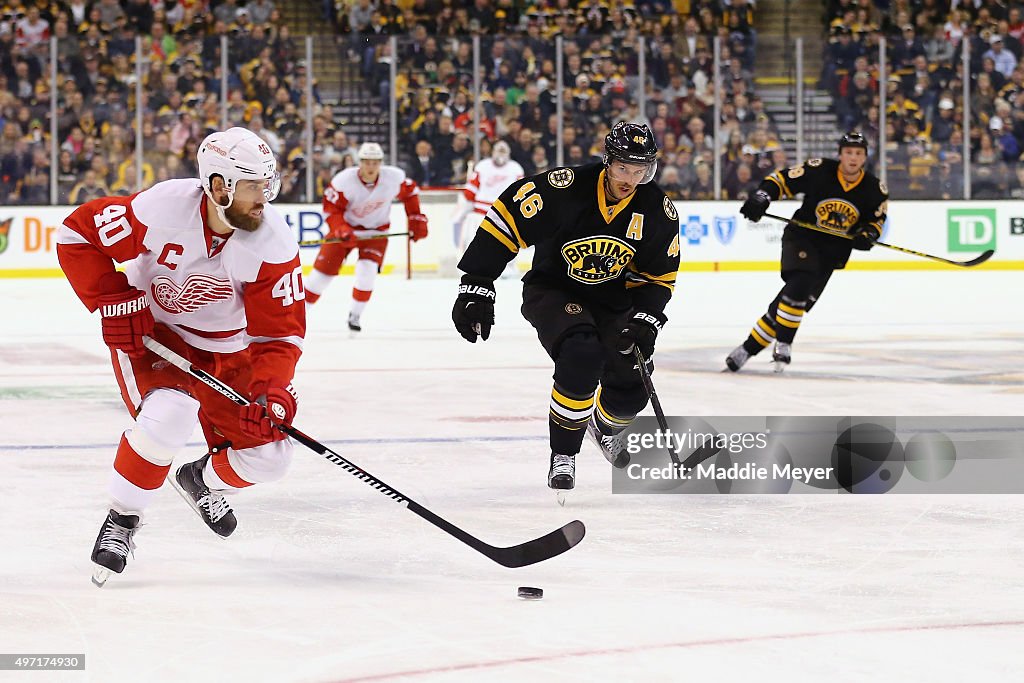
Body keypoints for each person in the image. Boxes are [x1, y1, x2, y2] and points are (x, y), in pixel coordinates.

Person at [56, 127, 306, 585]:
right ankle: (123, 519)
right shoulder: (162, 208)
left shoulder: (272, 242)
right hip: (159, 338)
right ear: (217, 185)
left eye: (265, 185)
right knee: (170, 415)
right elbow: (76, 235)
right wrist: (112, 298)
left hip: (230, 353)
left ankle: (201, 478)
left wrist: (272, 391)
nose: (262, 199)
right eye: (252, 186)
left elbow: (281, 337)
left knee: (271, 459)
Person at [451, 122, 681, 494]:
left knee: (633, 379)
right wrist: (476, 283)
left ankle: (603, 428)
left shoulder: (656, 209)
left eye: (640, 170)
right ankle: (564, 453)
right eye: (623, 167)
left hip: (612, 299)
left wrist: (646, 319)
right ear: (607, 160)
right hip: (554, 291)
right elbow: (507, 217)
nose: (630, 179)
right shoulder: (566, 188)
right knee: (581, 353)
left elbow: (658, 276)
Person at [726, 132, 888, 372]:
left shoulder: (874, 189)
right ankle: (784, 344)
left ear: (864, 157)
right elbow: (782, 180)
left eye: (858, 154)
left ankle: (746, 350)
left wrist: (868, 235)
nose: (853, 158)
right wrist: (762, 197)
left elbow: (876, 220)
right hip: (802, 238)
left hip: (832, 254)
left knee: (788, 304)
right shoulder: (820, 169)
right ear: (840, 154)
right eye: (848, 152)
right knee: (801, 282)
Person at [304, 142, 429, 331]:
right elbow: (331, 208)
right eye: (366, 162)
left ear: (381, 163)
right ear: (359, 162)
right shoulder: (343, 181)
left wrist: (415, 218)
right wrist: (340, 229)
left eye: (375, 162)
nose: (370, 167)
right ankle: (298, 315)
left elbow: (411, 193)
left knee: (367, 273)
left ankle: (355, 316)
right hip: (345, 232)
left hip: (375, 232)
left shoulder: (393, 178)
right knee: (320, 276)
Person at [450, 140, 525, 257]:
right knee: (482, 245)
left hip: (503, 217)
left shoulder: (515, 168)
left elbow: (521, 193)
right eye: (499, 151)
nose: (500, 154)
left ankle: (503, 271)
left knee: (501, 247)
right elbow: (470, 193)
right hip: (481, 214)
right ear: (493, 152)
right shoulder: (483, 166)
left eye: (503, 151)